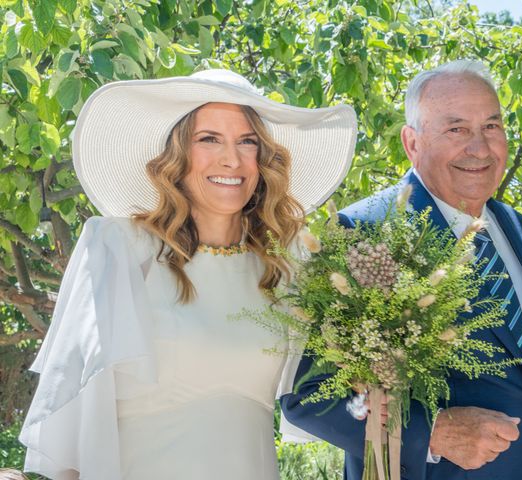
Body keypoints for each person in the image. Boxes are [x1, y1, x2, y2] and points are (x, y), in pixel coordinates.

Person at [280, 61, 522, 480]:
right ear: (412, 142)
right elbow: (310, 396)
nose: (481, 148)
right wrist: (435, 434)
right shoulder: (364, 233)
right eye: (457, 129)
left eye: (491, 126)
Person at [19, 69, 357, 480]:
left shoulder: (288, 264)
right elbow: (77, 419)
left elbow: (325, 392)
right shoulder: (119, 248)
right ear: (176, 155)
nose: (231, 159)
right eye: (208, 138)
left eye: (247, 141)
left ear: (263, 159)